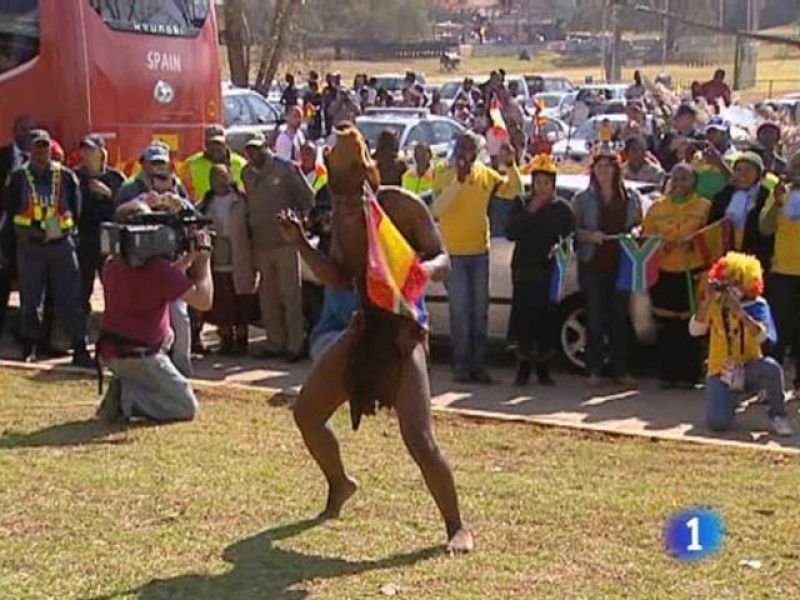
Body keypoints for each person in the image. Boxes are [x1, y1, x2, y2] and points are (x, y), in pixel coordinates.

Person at [276, 123, 474, 554]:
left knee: (419, 439)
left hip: (404, 333)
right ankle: (340, 483)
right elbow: (341, 280)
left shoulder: (398, 206)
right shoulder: (341, 224)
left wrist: (424, 271)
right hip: (365, 327)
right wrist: (301, 246)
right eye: (338, 196)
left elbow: (444, 258)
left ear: (368, 183)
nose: (344, 205)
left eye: (351, 195)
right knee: (307, 413)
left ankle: (457, 525)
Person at [94, 200, 213, 424]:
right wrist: (204, 262)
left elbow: (158, 283)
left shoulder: (112, 263)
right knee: (185, 406)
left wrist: (189, 259)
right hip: (141, 356)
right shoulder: (158, 270)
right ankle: (127, 399)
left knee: (168, 335)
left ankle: (127, 386)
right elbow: (204, 301)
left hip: (113, 351)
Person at [432, 131, 522, 383]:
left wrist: (510, 165)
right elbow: (437, 209)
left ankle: (478, 365)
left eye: (471, 149)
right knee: (460, 312)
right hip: (454, 255)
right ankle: (461, 366)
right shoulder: (442, 171)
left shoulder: (484, 173)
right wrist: (458, 182)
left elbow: (515, 191)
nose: (466, 154)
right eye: (462, 148)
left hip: (479, 252)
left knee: (479, 312)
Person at [3, 129, 93, 367]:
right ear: (30, 149)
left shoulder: (65, 176)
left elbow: (77, 210)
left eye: (45, 146)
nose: (42, 151)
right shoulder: (19, 177)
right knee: (31, 300)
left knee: (71, 298)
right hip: (29, 246)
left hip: (61, 244)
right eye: (37, 146)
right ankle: (29, 347)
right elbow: (11, 212)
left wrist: (69, 235)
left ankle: (80, 348)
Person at [689, 252, 793, 436]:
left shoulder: (757, 305)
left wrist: (742, 315)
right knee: (718, 424)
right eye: (727, 281)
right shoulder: (715, 304)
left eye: (737, 282)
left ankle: (778, 415)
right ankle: (731, 399)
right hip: (720, 370)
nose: (732, 288)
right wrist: (707, 302)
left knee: (771, 368)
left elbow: (768, 341)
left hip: (749, 366)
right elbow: (695, 331)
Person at [573, 145, 643, 386]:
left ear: (616, 169)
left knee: (619, 318)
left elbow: (639, 225)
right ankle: (593, 369)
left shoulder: (630, 197)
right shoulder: (582, 199)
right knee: (593, 317)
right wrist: (590, 236)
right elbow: (574, 230)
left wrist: (633, 233)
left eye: (608, 166)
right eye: (599, 166)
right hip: (593, 263)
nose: (603, 171)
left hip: (621, 264)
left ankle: (619, 370)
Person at [242, 133, 314, 361]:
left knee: (290, 294)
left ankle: (295, 344)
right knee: (268, 296)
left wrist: (298, 221)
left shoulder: (285, 169)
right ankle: (275, 343)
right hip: (261, 242)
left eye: (257, 148)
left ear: (267, 147)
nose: (253, 154)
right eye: (249, 150)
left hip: (285, 242)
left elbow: (307, 198)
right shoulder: (247, 173)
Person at [505, 154, 574, 386]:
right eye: (538, 183)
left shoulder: (562, 209)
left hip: (549, 271)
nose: (542, 188)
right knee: (524, 318)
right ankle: (523, 368)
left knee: (546, 319)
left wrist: (564, 247)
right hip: (524, 269)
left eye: (546, 183)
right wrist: (530, 212)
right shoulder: (522, 203)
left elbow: (571, 236)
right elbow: (510, 232)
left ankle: (544, 368)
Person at [642, 163, 710, 388]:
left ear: (694, 182)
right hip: (666, 272)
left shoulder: (704, 206)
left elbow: (713, 237)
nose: (680, 184)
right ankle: (668, 374)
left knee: (692, 324)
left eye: (685, 179)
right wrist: (664, 247)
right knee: (667, 325)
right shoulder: (656, 208)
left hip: (694, 272)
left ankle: (690, 375)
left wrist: (696, 244)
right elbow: (646, 240)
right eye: (676, 178)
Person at [198, 165, 259, 355]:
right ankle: (226, 340)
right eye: (215, 177)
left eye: (223, 176)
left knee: (242, 301)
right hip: (218, 257)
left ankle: (242, 341)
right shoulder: (206, 203)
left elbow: (253, 227)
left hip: (240, 255)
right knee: (223, 302)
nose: (220, 180)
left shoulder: (241, 201)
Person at [759, 153, 800, 392]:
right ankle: (770, 386)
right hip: (783, 270)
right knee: (778, 330)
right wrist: (775, 202)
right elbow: (765, 228)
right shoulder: (780, 194)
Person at [75, 135, 126, 316]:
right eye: (84, 149)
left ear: (102, 152)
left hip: (109, 238)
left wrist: (109, 194)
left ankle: (114, 320)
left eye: (91, 149)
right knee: (81, 284)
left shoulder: (115, 177)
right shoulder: (75, 176)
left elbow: (127, 206)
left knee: (112, 282)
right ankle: (80, 329)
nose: (86, 153)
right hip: (84, 237)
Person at [709, 152, 774, 273]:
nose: (742, 174)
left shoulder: (767, 197)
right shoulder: (724, 195)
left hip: (755, 257)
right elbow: (712, 224)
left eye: (748, 170)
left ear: (758, 174)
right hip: (725, 255)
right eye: (738, 170)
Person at [0, 115, 35, 337]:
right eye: (23, 129)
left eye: (31, 130)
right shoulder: (2, 157)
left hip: (30, 236)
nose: (27, 134)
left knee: (31, 287)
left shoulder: (42, 163)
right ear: (14, 131)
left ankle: (27, 336)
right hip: (4, 232)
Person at [181, 124, 247, 205]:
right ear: (205, 144)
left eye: (218, 143)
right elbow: (182, 192)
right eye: (211, 144)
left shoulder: (240, 163)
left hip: (234, 213)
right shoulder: (190, 164)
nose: (215, 148)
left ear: (226, 143)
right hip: (203, 213)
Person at [693, 117, 734, 201]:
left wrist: (720, 163)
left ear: (725, 134)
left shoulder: (736, 157)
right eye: (708, 132)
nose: (710, 135)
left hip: (723, 204)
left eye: (715, 132)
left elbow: (737, 183)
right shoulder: (698, 156)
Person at [656, 103, 701, 173]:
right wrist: (671, 148)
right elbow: (658, 157)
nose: (676, 120)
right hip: (671, 173)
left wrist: (690, 146)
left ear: (690, 118)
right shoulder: (669, 137)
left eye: (680, 117)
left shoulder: (700, 137)